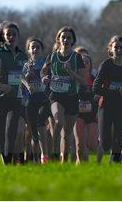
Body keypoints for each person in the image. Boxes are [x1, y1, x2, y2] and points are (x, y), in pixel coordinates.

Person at [0, 22, 28, 165]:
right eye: (8, 34)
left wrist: (28, 84)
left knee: (11, 130)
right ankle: (5, 158)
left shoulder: (22, 56)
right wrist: (0, 85)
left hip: (16, 99)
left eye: (14, 34)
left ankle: (8, 163)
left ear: (18, 36)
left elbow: (22, 77)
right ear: (4, 36)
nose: (11, 37)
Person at [42, 26, 86, 163]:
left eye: (69, 38)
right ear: (58, 39)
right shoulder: (53, 56)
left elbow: (83, 80)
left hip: (72, 97)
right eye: (63, 37)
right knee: (58, 121)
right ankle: (54, 155)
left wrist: (71, 71)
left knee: (67, 134)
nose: (66, 40)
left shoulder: (77, 57)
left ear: (72, 41)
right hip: (56, 96)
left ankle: (64, 160)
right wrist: (45, 78)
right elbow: (44, 71)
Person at [22, 37, 51, 164]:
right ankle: (35, 159)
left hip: (45, 98)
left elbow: (52, 77)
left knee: (40, 123)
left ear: (41, 50)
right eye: (32, 47)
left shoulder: (46, 62)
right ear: (28, 50)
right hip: (30, 100)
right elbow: (21, 79)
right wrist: (26, 80)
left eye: (37, 47)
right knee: (33, 132)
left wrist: (45, 79)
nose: (35, 49)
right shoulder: (26, 65)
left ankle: (45, 155)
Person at [73, 47, 98, 164]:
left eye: (87, 61)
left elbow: (100, 96)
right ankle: (82, 165)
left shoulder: (95, 80)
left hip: (92, 114)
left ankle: (94, 161)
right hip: (78, 114)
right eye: (82, 62)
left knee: (92, 143)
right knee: (79, 143)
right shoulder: (75, 80)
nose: (84, 63)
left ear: (90, 65)